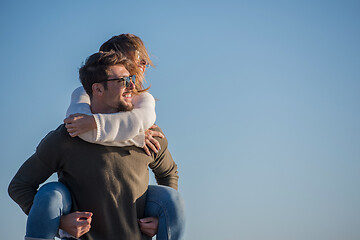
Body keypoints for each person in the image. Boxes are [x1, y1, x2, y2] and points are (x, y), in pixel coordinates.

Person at [8, 51, 183, 240]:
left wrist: (160, 219)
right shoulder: (68, 137)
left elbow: (168, 174)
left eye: (131, 78)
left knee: (171, 199)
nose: (132, 86)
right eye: (123, 81)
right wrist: (59, 222)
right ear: (98, 89)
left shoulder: (148, 136)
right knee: (49, 194)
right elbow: (20, 186)